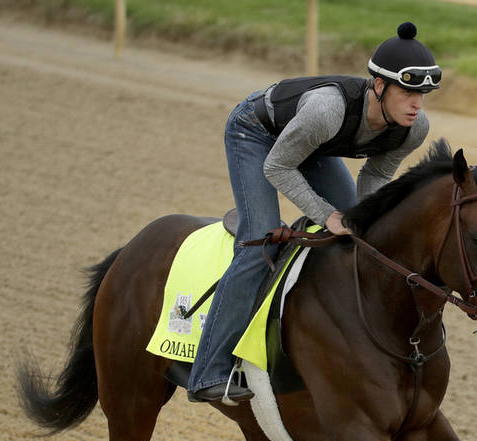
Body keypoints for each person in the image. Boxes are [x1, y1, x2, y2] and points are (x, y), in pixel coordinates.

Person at [187, 21, 441, 404]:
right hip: (256, 134)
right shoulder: (326, 110)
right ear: (378, 86)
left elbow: (376, 176)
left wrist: (367, 223)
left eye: (423, 94)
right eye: (408, 92)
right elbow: (277, 167)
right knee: (260, 242)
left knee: (358, 234)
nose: (416, 104)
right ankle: (209, 372)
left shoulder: (413, 128)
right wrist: (326, 215)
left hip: (312, 146)